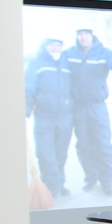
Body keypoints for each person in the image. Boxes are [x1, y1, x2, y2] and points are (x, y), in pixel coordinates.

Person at [64, 28, 112, 196]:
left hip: (97, 107)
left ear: (91, 36)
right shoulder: (69, 53)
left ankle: (107, 182)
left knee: (103, 145)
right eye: (80, 34)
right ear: (77, 36)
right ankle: (91, 178)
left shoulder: (102, 52)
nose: (84, 37)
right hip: (78, 107)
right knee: (84, 145)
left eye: (86, 34)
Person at [24, 38, 73, 199]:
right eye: (52, 45)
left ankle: (58, 183)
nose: (56, 48)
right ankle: (51, 187)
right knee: (45, 154)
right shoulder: (36, 63)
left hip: (65, 116)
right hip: (44, 116)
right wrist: (26, 110)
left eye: (59, 45)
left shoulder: (67, 63)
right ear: (45, 46)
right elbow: (28, 87)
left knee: (60, 154)